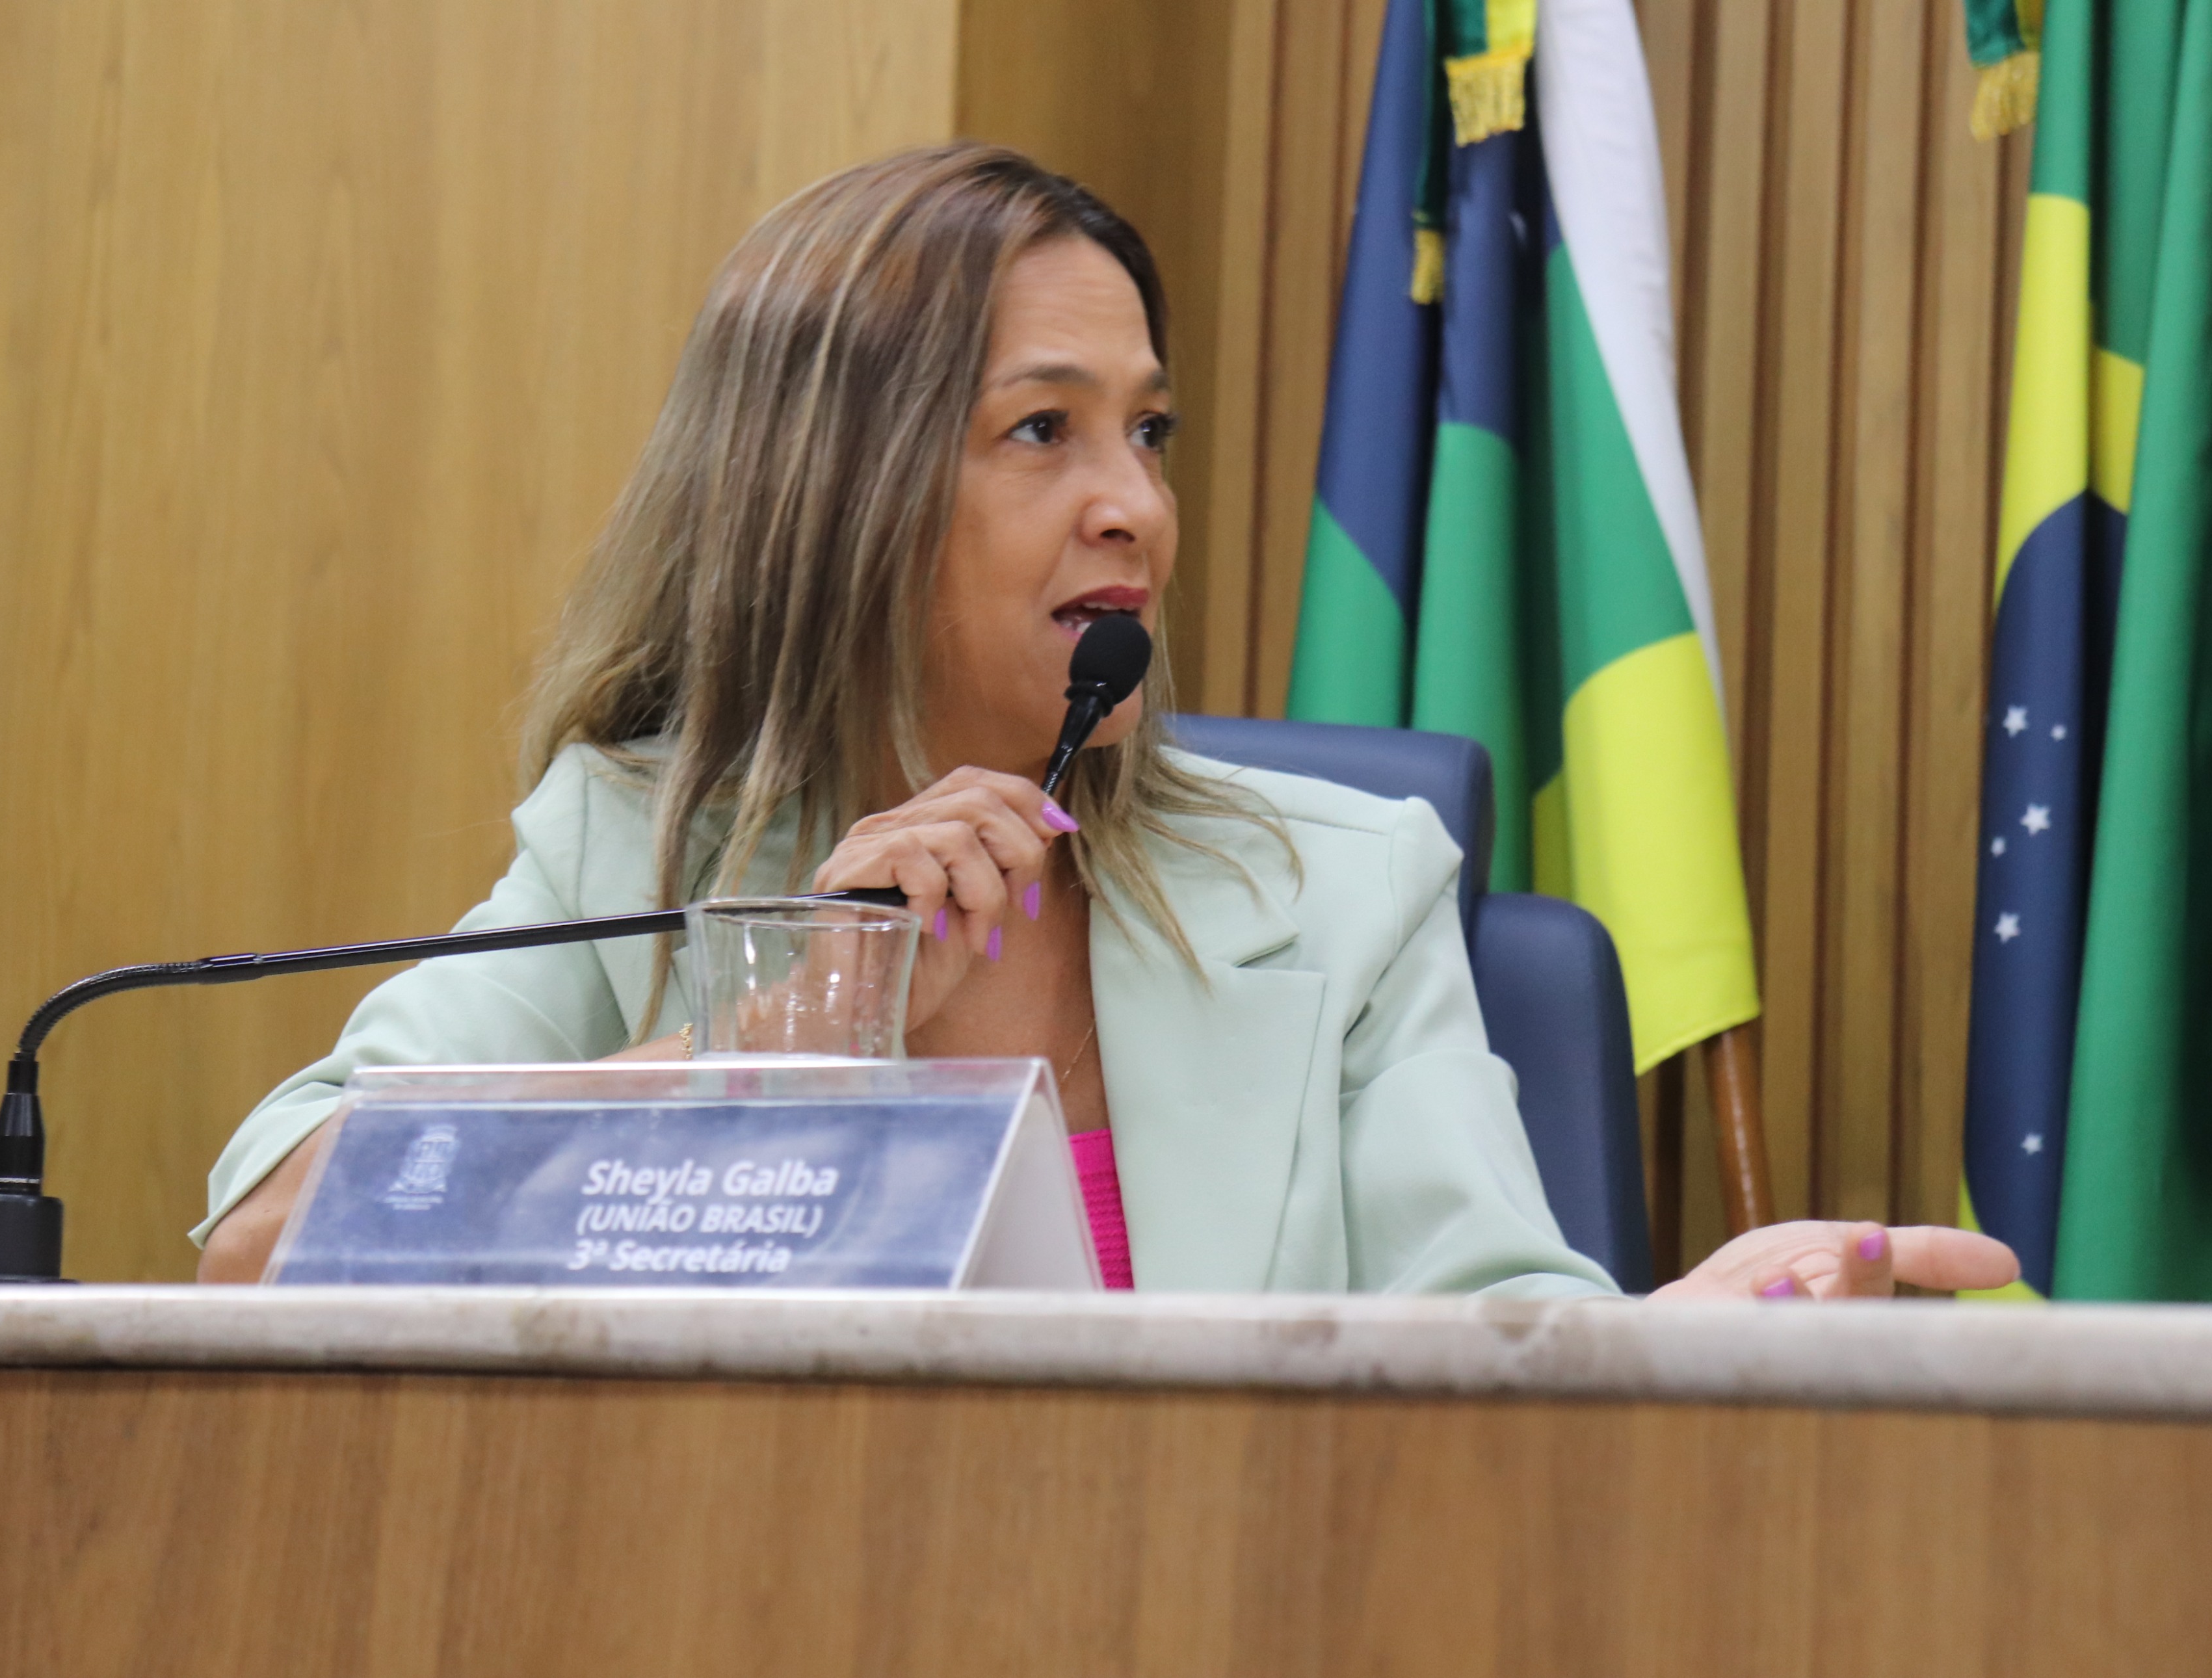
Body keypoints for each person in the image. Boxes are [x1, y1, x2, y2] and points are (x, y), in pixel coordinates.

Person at [194, 143, 2015, 1303]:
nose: (1135, 504)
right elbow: (263, 1245)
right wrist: (785, 1029)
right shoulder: (635, 842)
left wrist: (1697, 1343)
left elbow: (1499, 1351)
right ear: (837, 495)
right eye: (1042, 431)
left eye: (1149, 432)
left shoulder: (1343, 888)